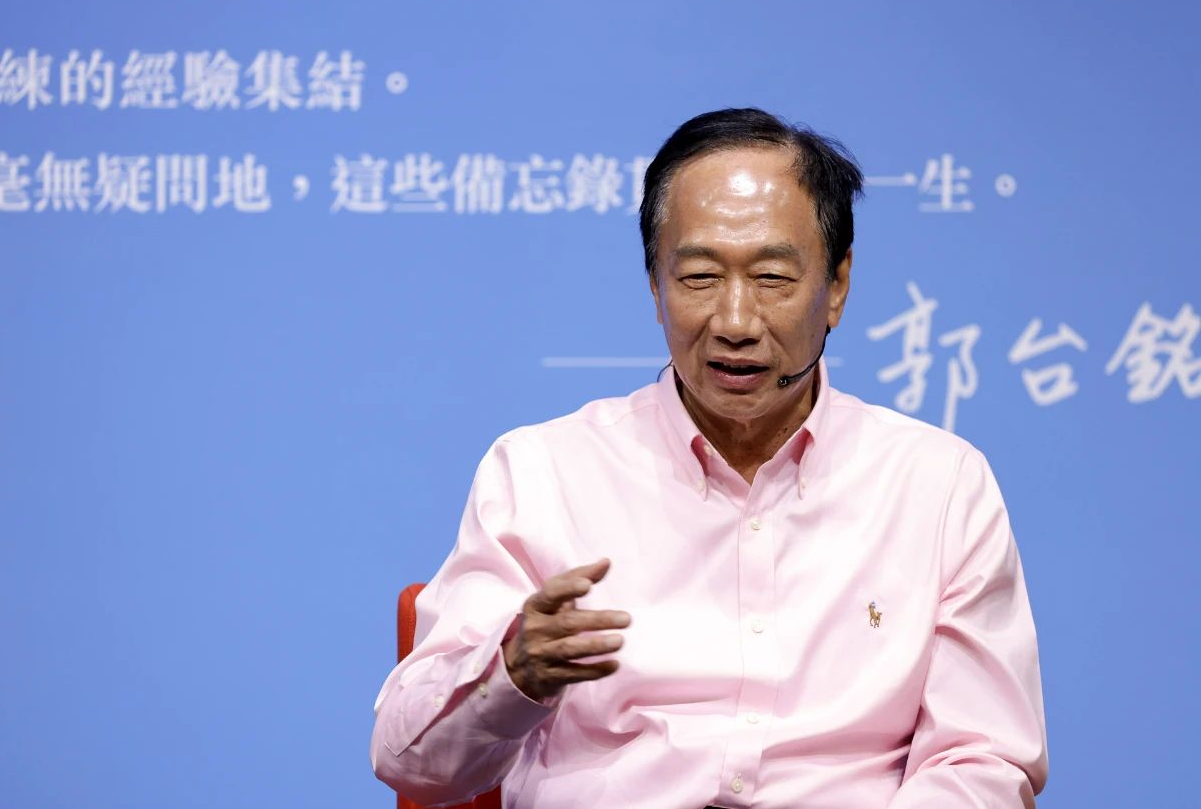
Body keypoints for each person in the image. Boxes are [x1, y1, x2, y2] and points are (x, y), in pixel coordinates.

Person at [370, 108, 1048, 808]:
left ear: (838, 286)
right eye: (699, 276)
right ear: (655, 286)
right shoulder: (543, 472)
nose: (735, 322)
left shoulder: (939, 484)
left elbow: (983, 759)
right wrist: (511, 675)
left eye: (772, 277)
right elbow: (408, 760)